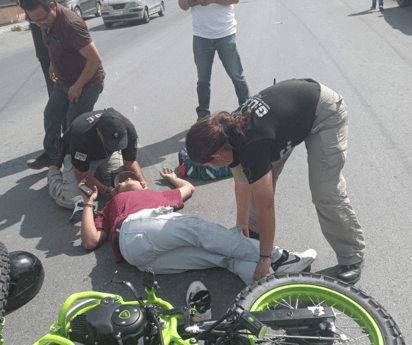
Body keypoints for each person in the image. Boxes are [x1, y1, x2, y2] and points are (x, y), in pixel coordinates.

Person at [186, 78, 365, 284]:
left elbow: (266, 206)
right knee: (255, 184)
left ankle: (352, 256)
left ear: (216, 156)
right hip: (285, 122)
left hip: (323, 111)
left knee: (324, 190)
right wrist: (241, 224)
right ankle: (253, 236)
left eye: (208, 165)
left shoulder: (251, 143)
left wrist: (265, 258)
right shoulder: (225, 133)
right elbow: (242, 181)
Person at [78, 167, 317, 286]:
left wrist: (172, 177)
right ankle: (281, 257)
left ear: (143, 185)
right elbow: (90, 240)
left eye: (130, 177)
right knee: (202, 232)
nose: (127, 179)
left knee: (220, 257)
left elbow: (188, 188)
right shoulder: (114, 204)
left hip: (141, 261)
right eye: (121, 181)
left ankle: (270, 287)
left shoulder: (158, 196)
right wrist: (89, 203)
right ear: (116, 192)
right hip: (135, 228)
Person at [21, 0, 105, 170]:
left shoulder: (71, 25)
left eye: (42, 20)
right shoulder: (45, 20)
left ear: (52, 5)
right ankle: (53, 155)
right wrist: (53, 64)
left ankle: (77, 164)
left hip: (87, 82)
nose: (39, 24)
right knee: (51, 114)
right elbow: (54, 44)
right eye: (34, 21)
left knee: (74, 126)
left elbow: (95, 59)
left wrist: (78, 86)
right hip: (63, 80)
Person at [48, 107, 148, 209]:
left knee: (123, 185)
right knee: (72, 200)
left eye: (118, 143)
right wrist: (108, 191)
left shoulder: (128, 128)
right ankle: (53, 171)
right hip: (81, 158)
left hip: (107, 154)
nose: (115, 144)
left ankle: (99, 177)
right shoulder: (81, 133)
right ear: (98, 131)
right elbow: (80, 173)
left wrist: (144, 186)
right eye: (111, 143)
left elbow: (130, 162)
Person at [178, 0, 250, 119]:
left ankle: (247, 112)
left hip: (226, 34)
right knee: (203, 80)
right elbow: (182, 5)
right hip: (201, 36)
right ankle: (203, 117)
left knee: (237, 75)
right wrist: (193, 2)